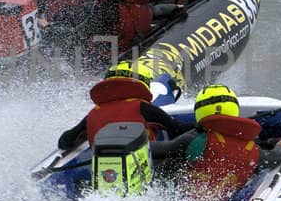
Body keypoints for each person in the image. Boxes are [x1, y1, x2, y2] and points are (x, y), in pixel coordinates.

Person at [172, 84, 281, 201]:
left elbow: (161, 154)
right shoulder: (251, 149)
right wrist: (279, 146)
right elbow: (274, 157)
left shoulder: (192, 141)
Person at [55, 60, 194, 153]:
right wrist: (202, 125)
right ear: (142, 82)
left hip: (105, 177)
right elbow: (177, 129)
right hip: (144, 170)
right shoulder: (143, 108)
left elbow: (64, 142)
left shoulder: (92, 114)